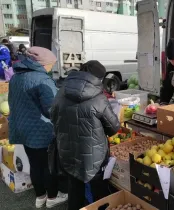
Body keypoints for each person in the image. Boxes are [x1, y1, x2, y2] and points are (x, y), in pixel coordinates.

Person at [51, 60, 120, 210]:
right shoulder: (99, 98)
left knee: (75, 191)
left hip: (67, 151)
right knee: (99, 193)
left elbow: (53, 116)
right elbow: (114, 128)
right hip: (94, 156)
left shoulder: (61, 91)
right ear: (98, 78)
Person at [8, 46, 68, 208]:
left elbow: (12, 103)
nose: (51, 68)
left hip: (23, 129)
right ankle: (52, 197)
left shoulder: (16, 77)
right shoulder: (42, 79)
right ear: (42, 63)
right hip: (41, 131)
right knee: (48, 166)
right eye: (50, 65)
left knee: (35, 164)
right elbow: (51, 110)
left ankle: (40, 196)